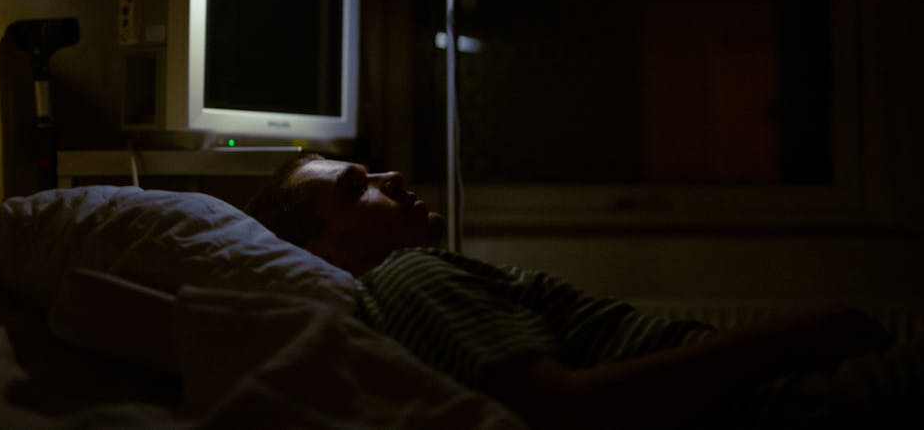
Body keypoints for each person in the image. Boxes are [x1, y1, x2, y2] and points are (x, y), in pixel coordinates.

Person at [243, 153, 919, 430]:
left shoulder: (418, 275)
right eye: (354, 187)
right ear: (320, 249)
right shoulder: (406, 277)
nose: (389, 176)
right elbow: (563, 408)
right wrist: (797, 336)